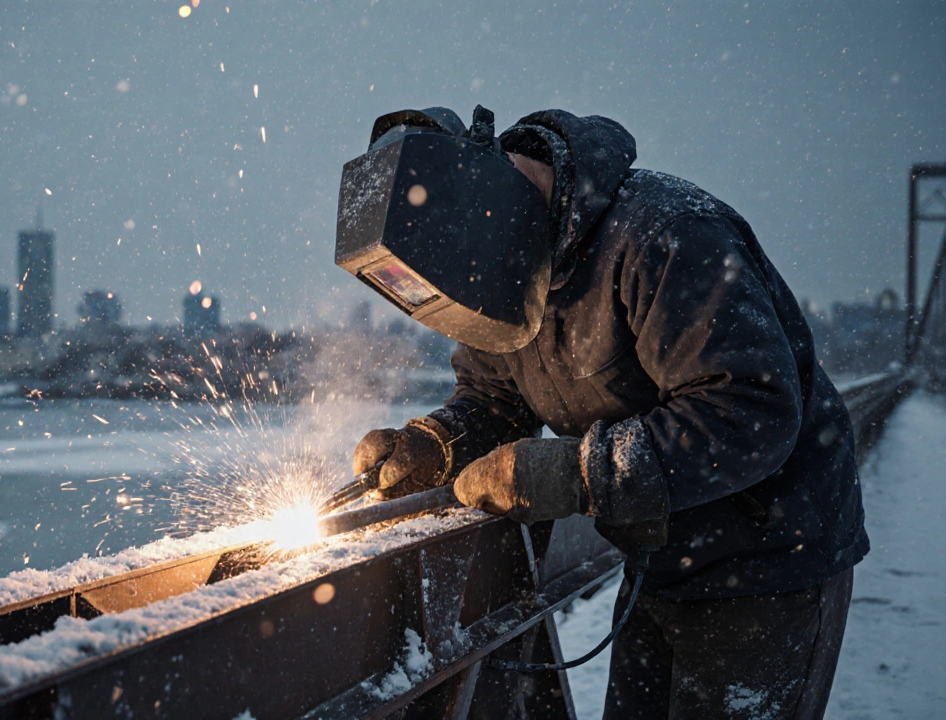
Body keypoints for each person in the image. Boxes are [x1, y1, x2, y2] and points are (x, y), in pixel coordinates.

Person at [343, 106, 866, 719]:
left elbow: (750, 409)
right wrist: (438, 442)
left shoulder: (663, 234)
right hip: (661, 553)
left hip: (769, 562)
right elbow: (494, 400)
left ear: (488, 202)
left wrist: (578, 474)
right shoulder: (506, 266)